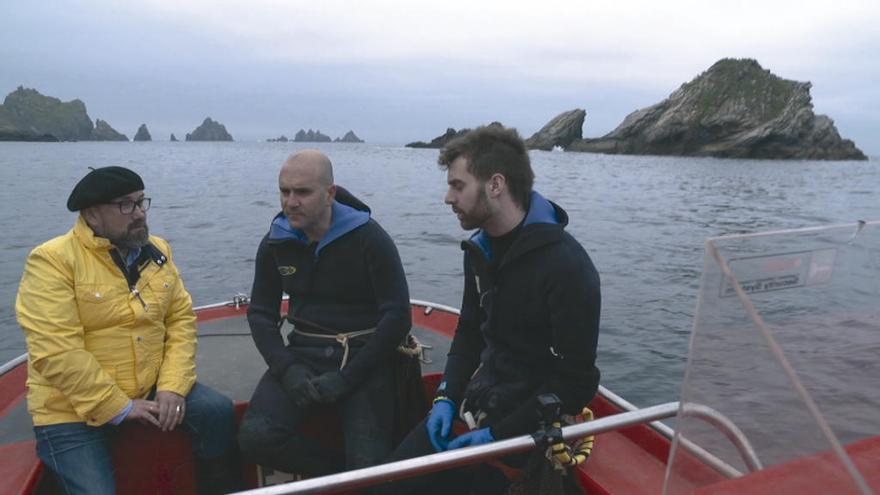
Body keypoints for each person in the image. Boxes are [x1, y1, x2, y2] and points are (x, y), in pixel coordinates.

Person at [386, 125, 601, 494]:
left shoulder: (568, 268)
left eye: (457, 185)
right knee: (386, 486)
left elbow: (576, 380)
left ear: (495, 185)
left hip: (525, 427)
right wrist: (446, 396)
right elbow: (469, 331)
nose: (447, 198)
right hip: (479, 404)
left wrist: (497, 436)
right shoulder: (480, 250)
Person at [15, 166, 240, 495]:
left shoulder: (158, 251)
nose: (138, 214)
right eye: (125, 205)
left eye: (140, 202)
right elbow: (57, 351)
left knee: (218, 413)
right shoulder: (52, 261)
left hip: (149, 386)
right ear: (92, 214)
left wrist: (173, 387)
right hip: (69, 410)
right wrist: (118, 407)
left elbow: (180, 319)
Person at [237, 150, 412, 477]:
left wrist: (346, 379)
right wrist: (287, 369)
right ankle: (334, 474)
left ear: (330, 193)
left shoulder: (370, 238)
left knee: (369, 469)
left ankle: (355, 477)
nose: (290, 202)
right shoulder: (276, 242)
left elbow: (398, 317)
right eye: (284, 191)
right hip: (303, 355)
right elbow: (261, 313)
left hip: (365, 358)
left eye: (302, 192)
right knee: (256, 437)